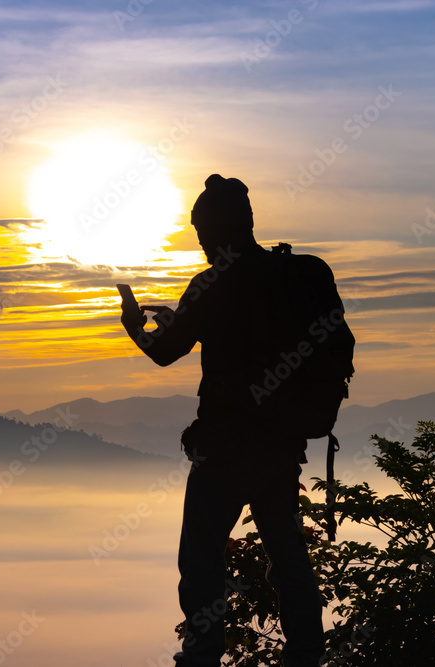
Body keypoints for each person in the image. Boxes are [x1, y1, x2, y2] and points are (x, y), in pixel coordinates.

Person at [120, 174, 325, 667]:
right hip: (280, 445)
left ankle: (203, 656)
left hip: (225, 446)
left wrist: (135, 327)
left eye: (200, 234)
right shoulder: (294, 275)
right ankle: (305, 655)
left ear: (212, 231)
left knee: (203, 560)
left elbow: (166, 352)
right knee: (289, 557)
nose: (200, 244)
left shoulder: (213, 284)